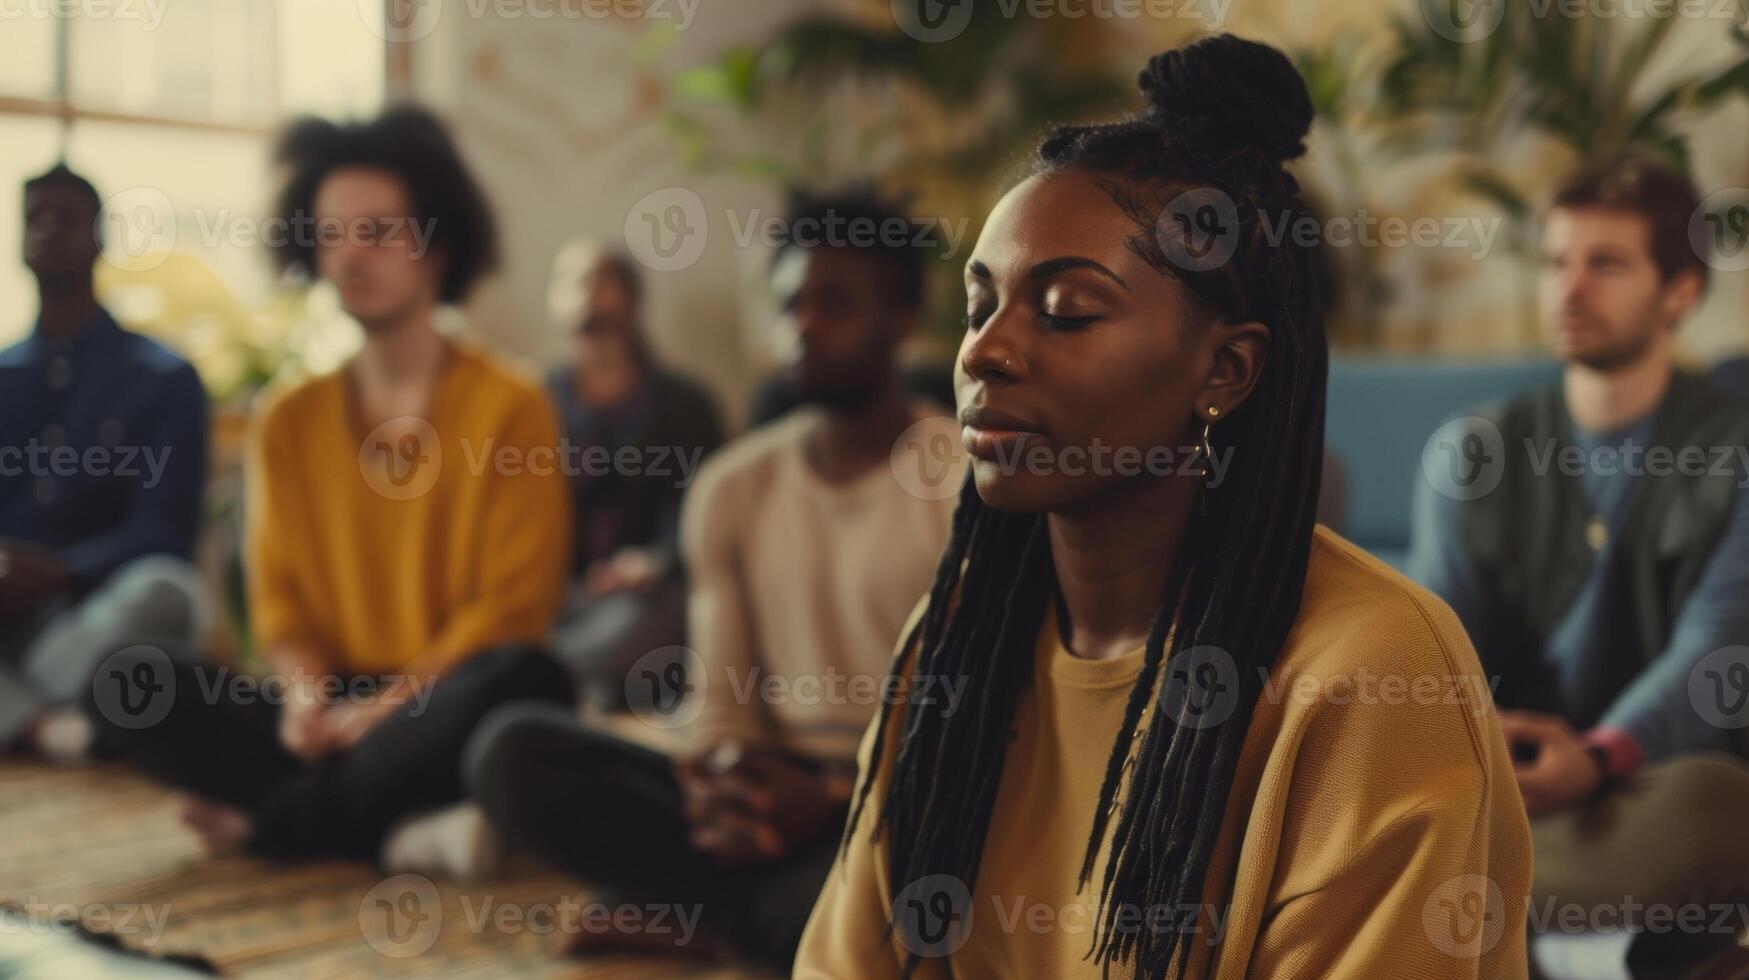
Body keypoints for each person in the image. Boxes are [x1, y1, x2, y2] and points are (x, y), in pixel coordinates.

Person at [799, 35, 1532, 978]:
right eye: (981, 305)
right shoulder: (953, 636)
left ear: (1224, 370)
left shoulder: (1370, 676)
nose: (985, 351)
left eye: (1064, 310)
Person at [464, 189, 964, 968]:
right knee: (512, 751)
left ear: (899, 319)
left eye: (833, 303)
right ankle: (753, 918)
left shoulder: (962, 482)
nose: (802, 323)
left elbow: (969, 721)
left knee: (937, 848)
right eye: (791, 301)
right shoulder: (732, 486)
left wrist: (835, 794)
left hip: (892, 796)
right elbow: (723, 693)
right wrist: (722, 779)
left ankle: (701, 915)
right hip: (768, 788)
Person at [84, 107, 574, 862]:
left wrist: (384, 711)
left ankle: (277, 827)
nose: (349, 258)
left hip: (443, 702)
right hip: (329, 712)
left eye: (377, 232)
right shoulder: (288, 418)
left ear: (436, 243)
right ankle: (402, 829)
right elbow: (280, 604)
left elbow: (508, 614)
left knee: (526, 681)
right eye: (331, 233)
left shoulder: (511, 405)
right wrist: (306, 702)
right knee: (128, 679)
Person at [1411, 157, 1749, 975]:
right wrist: (1487, 742)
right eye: (1557, 263)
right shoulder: (1474, 449)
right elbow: (1430, 646)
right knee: (1399, 784)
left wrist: (1598, 757)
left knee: (1715, 804)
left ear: (1678, 293)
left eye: (1605, 264)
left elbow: (1710, 654)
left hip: (1646, 785)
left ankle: (1492, 918)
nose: (1569, 289)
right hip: (1509, 784)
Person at [0, 163, 209, 763]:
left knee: (169, 592)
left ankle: (21, 707)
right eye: (33, 218)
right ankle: (52, 725)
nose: (47, 231)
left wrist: (60, 571)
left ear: (100, 238)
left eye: (66, 219)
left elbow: (164, 531)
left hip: (102, 612)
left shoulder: (163, 378)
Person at [543, 241, 723, 701]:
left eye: (602, 280)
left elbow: (707, 503)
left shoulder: (684, 406)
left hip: (651, 592)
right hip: (557, 596)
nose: (588, 294)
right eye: (572, 281)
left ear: (631, 298)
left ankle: (568, 678)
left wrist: (653, 560)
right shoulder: (533, 406)